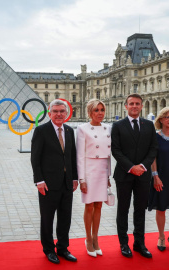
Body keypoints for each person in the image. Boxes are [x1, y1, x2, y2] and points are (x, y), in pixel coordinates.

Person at [31, 99, 78, 264]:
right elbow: (35, 158)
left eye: (61, 111)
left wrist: (74, 178)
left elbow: (72, 156)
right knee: (47, 218)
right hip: (48, 184)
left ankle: (63, 248)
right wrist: (39, 180)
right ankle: (49, 249)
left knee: (65, 218)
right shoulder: (41, 131)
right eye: (55, 111)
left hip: (67, 183)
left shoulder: (70, 131)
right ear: (49, 113)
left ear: (66, 113)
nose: (59, 114)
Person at [111, 93, 157, 258]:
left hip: (143, 175)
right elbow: (115, 150)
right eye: (131, 104)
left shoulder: (149, 125)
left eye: (137, 103)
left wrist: (143, 166)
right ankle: (124, 243)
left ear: (142, 106)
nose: (134, 106)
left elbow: (153, 149)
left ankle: (139, 243)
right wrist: (131, 167)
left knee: (140, 210)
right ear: (126, 106)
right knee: (122, 210)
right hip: (124, 174)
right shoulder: (117, 126)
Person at [76, 99, 111, 257]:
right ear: (90, 112)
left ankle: (96, 238)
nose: (100, 113)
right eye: (96, 110)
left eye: (102, 110)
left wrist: (109, 175)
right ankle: (88, 239)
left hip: (102, 171)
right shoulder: (82, 129)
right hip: (89, 170)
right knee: (89, 206)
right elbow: (79, 156)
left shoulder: (108, 128)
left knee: (99, 206)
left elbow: (108, 155)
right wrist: (82, 179)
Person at [148, 107, 169, 251]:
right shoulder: (155, 137)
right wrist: (155, 176)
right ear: (161, 119)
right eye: (167, 117)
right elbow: (152, 158)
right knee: (161, 208)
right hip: (161, 176)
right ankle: (161, 236)